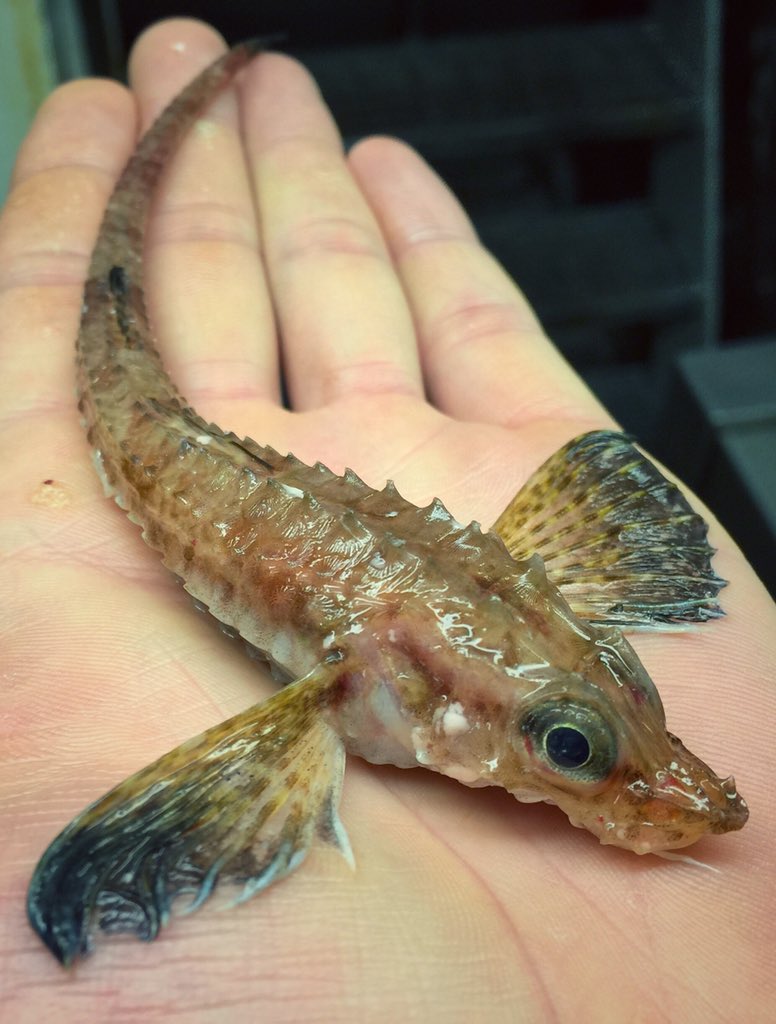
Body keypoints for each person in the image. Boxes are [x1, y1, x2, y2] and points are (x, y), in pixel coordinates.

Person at [1, 17, 773, 1021]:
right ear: (391, 686)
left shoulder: (486, 658)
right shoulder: (360, 678)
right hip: (171, 450)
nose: (679, 797)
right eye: (568, 750)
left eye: (583, 739)